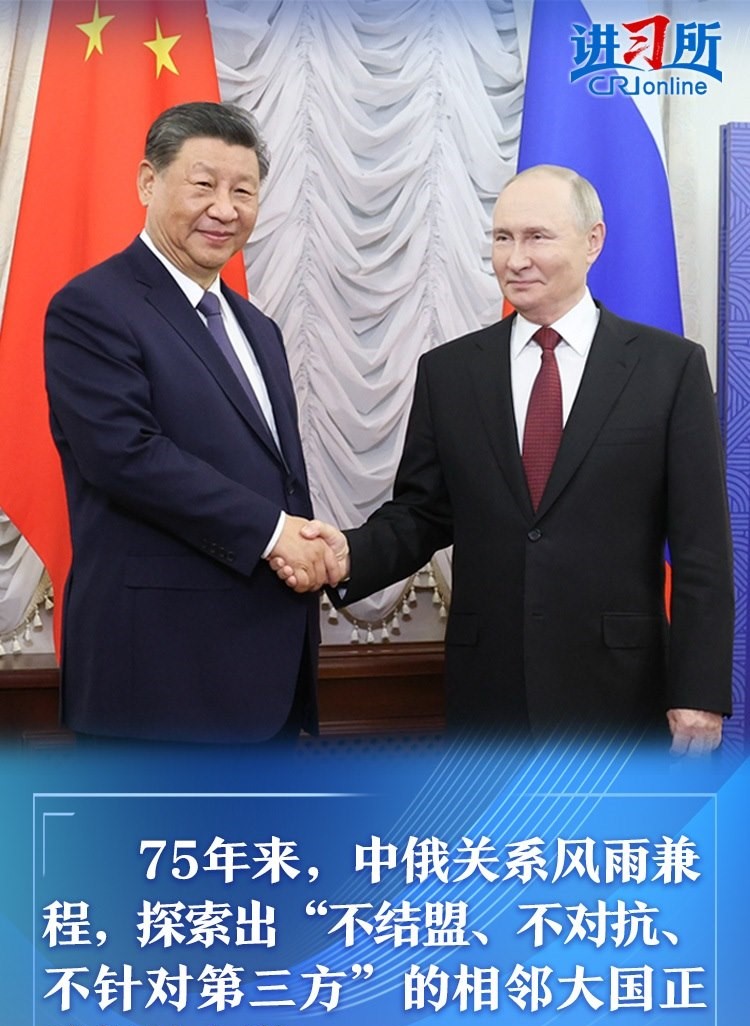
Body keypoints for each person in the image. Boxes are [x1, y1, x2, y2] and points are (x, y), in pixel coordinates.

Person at [274, 165, 734, 754]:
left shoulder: (669, 369)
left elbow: (702, 549)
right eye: (502, 238)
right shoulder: (450, 372)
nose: (515, 259)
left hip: (622, 693)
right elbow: (422, 514)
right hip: (489, 693)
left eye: (537, 237)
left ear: (592, 240)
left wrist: (698, 692)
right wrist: (347, 553)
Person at [44, 102, 341, 742]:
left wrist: (309, 544)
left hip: (266, 677)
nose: (224, 209)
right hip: (159, 678)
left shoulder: (257, 327)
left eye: (244, 191)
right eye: (203, 184)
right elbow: (126, 456)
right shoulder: (92, 307)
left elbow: (274, 477)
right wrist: (275, 534)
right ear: (148, 182)